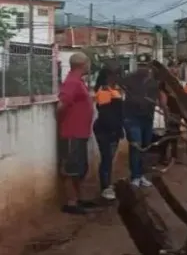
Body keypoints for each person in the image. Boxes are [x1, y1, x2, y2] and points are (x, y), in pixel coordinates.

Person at [57, 51, 95, 214]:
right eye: (88, 62)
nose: (89, 65)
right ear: (83, 64)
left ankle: (78, 199)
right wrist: (61, 122)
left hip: (79, 133)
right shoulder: (72, 82)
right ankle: (71, 203)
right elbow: (61, 105)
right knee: (70, 169)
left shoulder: (78, 81)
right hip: (72, 133)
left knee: (79, 168)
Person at [121, 53, 164, 188]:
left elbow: (161, 97)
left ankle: (142, 175)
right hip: (132, 118)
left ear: (149, 66)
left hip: (147, 118)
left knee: (145, 147)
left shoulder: (154, 82)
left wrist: (164, 109)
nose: (143, 68)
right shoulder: (128, 79)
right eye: (141, 65)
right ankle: (135, 176)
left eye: (145, 66)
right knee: (136, 146)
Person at [93, 64, 124, 201]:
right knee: (106, 159)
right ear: (109, 77)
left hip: (112, 129)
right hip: (105, 130)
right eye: (116, 75)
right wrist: (115, 129)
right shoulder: (104, 91)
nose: (118, 77)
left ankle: (107, 185)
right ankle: (105, 187)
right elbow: (106, 113)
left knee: (109, 159)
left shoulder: (112, 89)